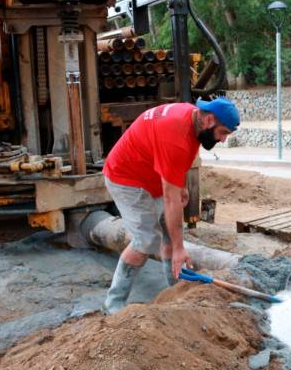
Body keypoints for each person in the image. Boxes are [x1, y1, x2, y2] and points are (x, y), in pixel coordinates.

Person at [101, 97, 240, 314]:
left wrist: (181, 184)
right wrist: (179, 248)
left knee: (170, 236)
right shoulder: (175, 136)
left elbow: (179, 159)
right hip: (126, 179)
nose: (222, 140)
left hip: (152, 177)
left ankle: (176, 292)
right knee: (146, 241)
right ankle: (113, 304)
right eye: (223, 132)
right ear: (209, 120)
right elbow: (170, 199)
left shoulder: (192, 118)